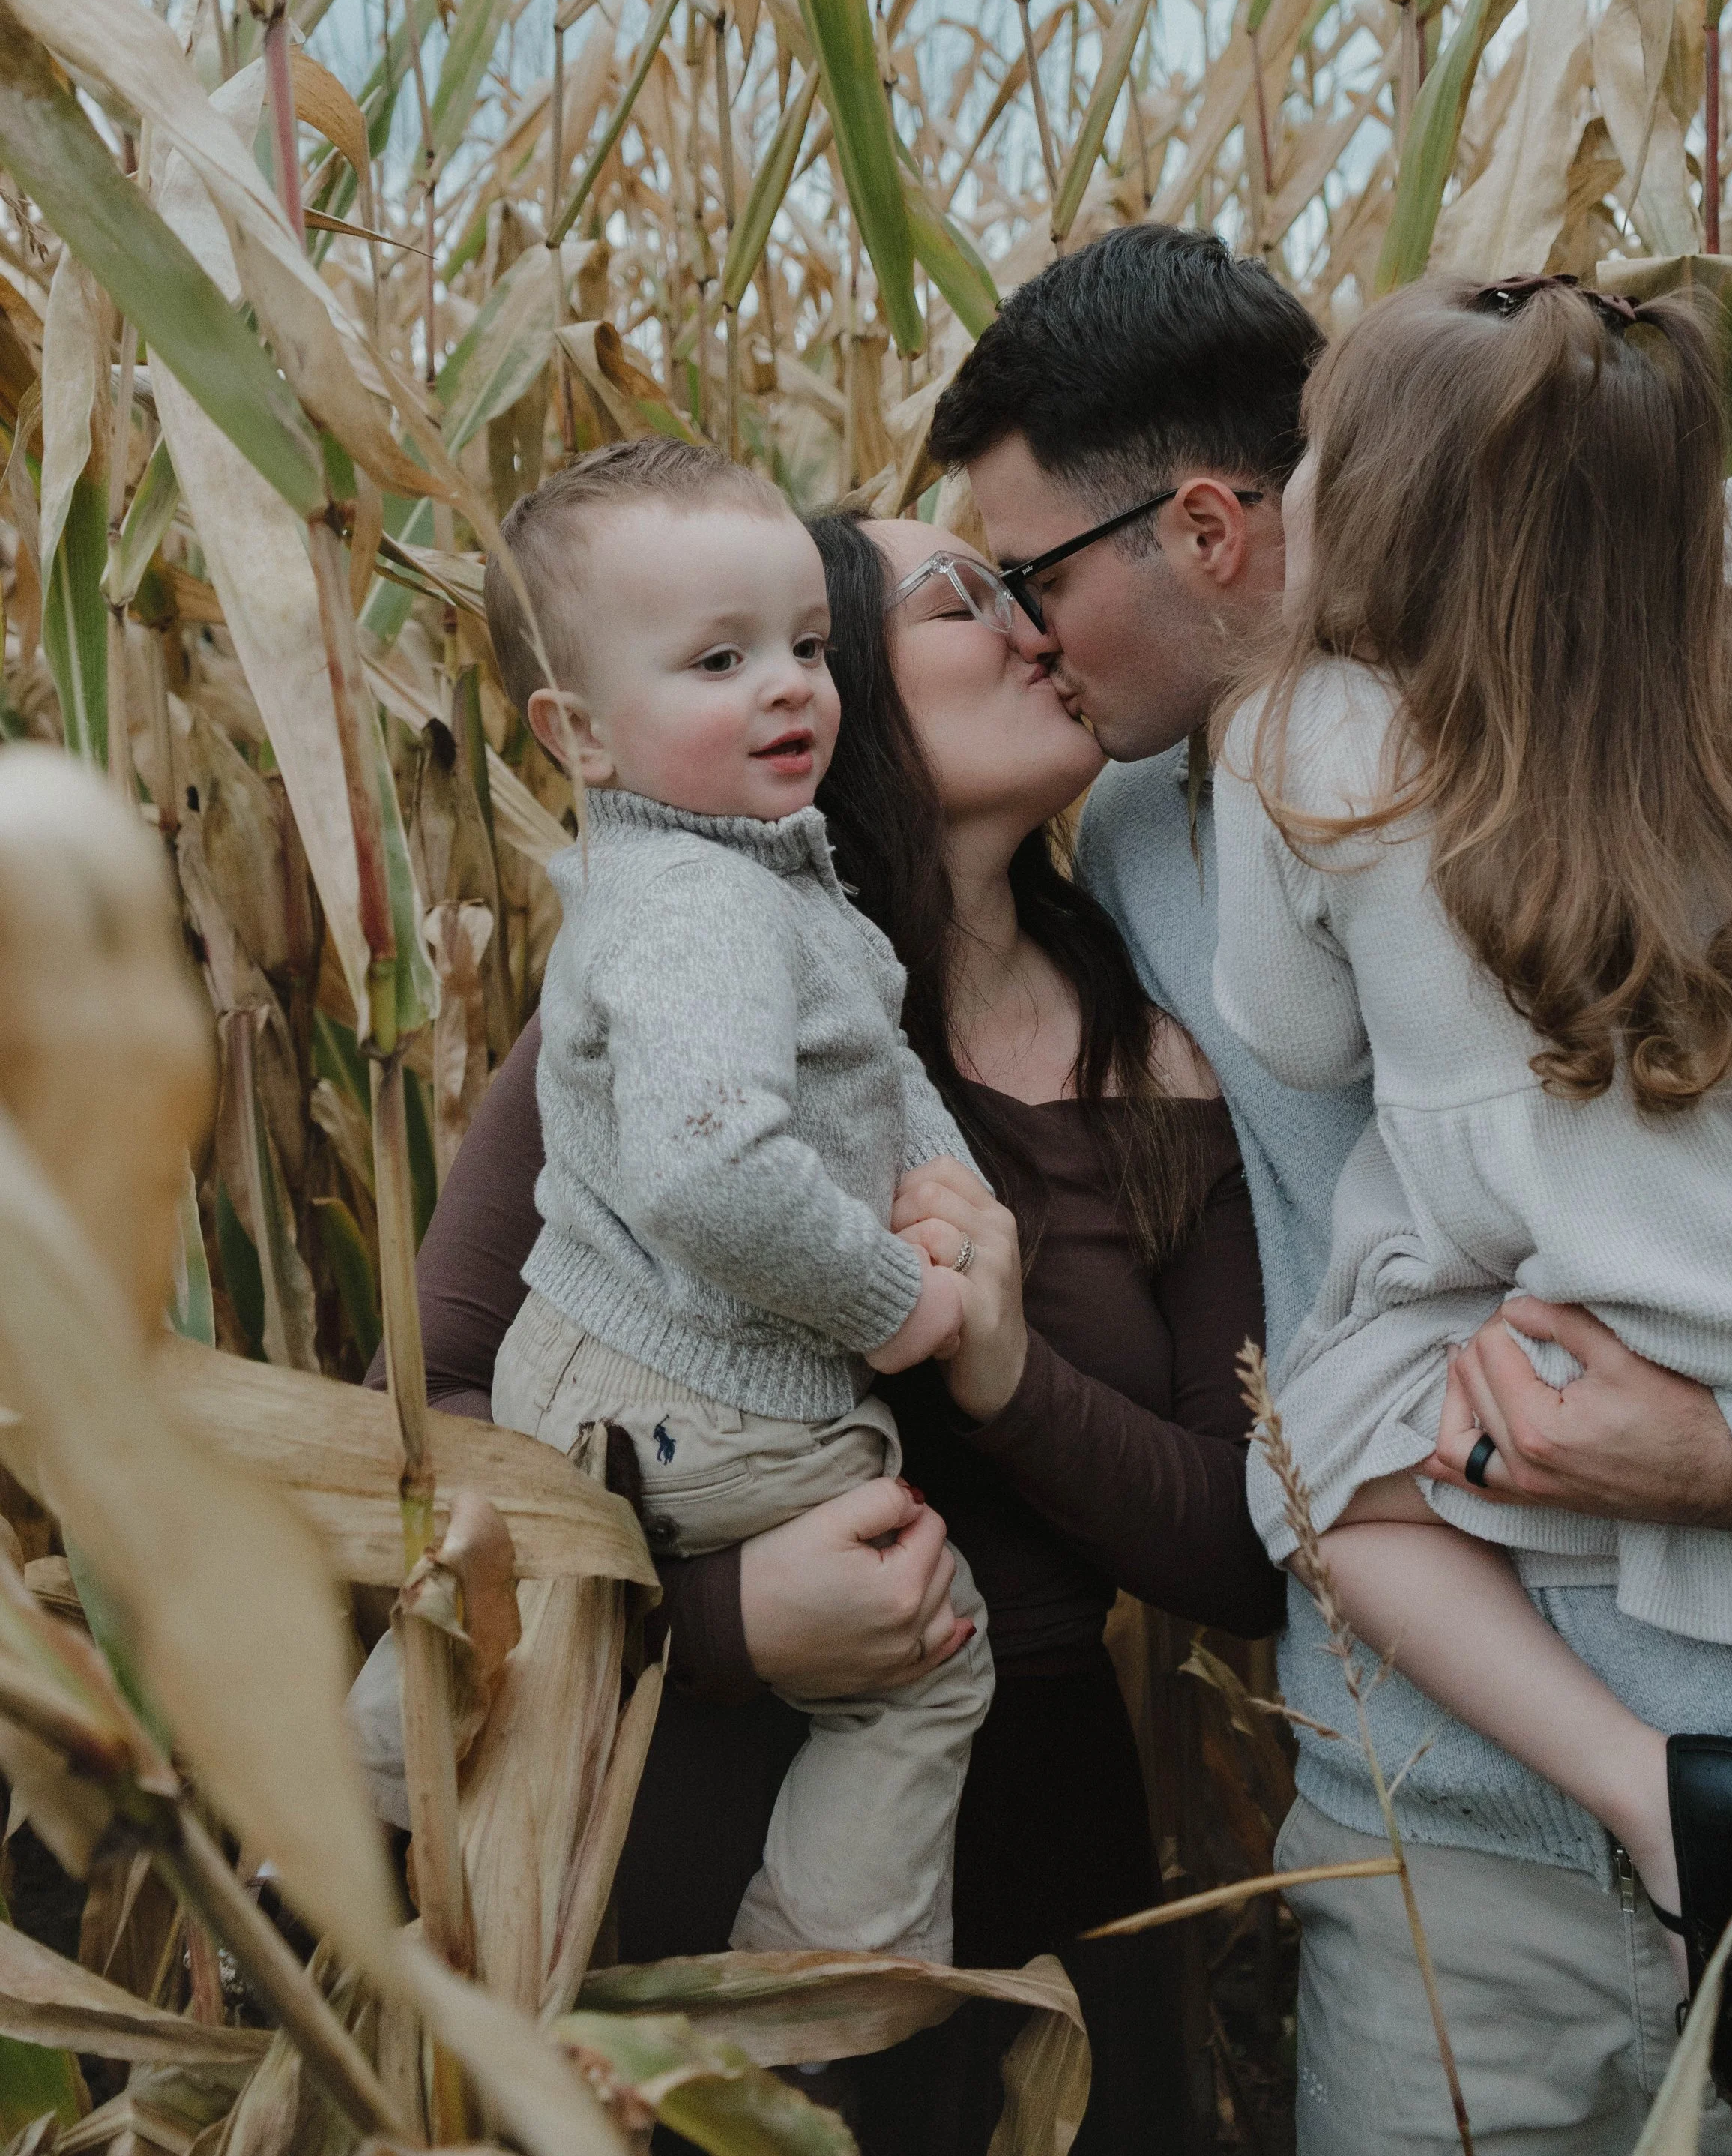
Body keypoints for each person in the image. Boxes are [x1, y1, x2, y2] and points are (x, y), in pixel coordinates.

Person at [930, 223, 1732, 2155]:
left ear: (1200, 530)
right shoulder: (1113, 838)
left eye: (1030, 579)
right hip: (1428, 1858)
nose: (1018, 637)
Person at [392, 494, 1277, 2152]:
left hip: (1041, 1864)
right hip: (692, 1819)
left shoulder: (1158, 1064)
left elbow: (1239, 1548)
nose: (1035, 627)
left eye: (1023, 589)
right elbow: (427, 1409)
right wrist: (714, 1622)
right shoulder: (684, 994)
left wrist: (1004, 1374)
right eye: (957, 599)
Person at [1211, 271, 1732, 2119]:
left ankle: (1644, 1787)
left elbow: (1286, 1028)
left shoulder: (1307, 745)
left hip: (1539, 1349)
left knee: (1323, 1451)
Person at [479, 436, 992, 1963]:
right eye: (719, 659)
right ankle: (810, 1986)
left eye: (808, 647)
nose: (790, 686)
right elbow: (714, 1176)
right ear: (574, 735)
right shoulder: (701, 908)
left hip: (581, 1377)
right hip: (715, 1402)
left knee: (505, 1649)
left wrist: (943, 1171)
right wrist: (902, 1304)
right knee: (927, 1668)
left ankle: (350, 1800)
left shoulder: (732, 877)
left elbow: (863, 1046)